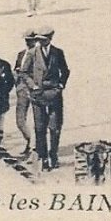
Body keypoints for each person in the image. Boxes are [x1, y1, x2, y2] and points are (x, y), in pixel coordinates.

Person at [19, 25, 70, 171]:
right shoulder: (32, 53)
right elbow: (24, 72)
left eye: (43, 40)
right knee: (40, 128)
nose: (40, 42)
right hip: (38, 95)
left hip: (54, 94)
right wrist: (32, 85)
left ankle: (53, 155)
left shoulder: (58, 53)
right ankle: (42, 157)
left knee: (55, 127)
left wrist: (61, 85)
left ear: (50, 39)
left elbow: (65, 71)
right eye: (39, 40)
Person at [13, 28, 37, 157]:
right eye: (27, 40)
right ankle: (29, 140)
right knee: (20, 120)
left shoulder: (38, 55)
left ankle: (33, 147)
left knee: (36, 120)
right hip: (21, 89)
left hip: (33, 90)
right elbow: (16, 69)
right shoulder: (21, 54)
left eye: (31, 40)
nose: (28, 42)